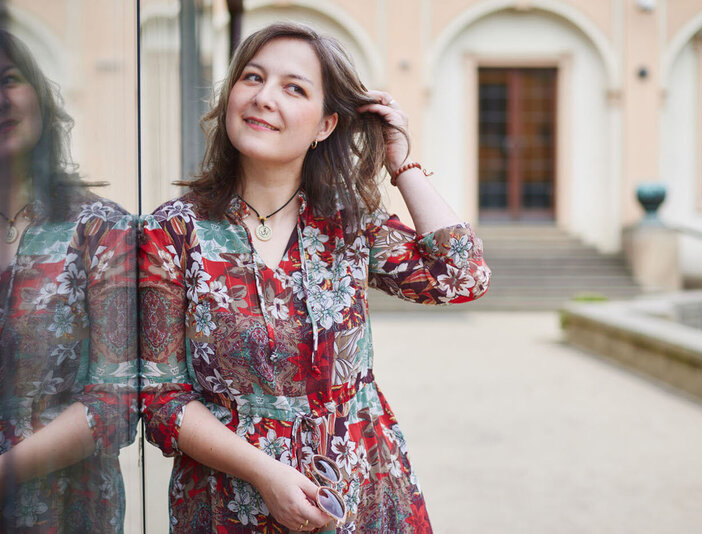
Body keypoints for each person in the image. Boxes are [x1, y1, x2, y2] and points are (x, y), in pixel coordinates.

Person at [139, 22, 490, 533]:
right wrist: (265, 474)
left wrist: (402, 162)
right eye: (252, 78)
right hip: (227, 502)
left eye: (293, 87)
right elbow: (161, 398)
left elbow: (461, 277)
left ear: (326, 125)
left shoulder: (349, 224)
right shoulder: (174, 231)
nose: (263, 98)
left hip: (361, 490)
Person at [0, 29, 138, 532]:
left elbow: (116, 404)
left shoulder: (101, 227)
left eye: (9, 79)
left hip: (68, 508)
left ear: (37, 92)